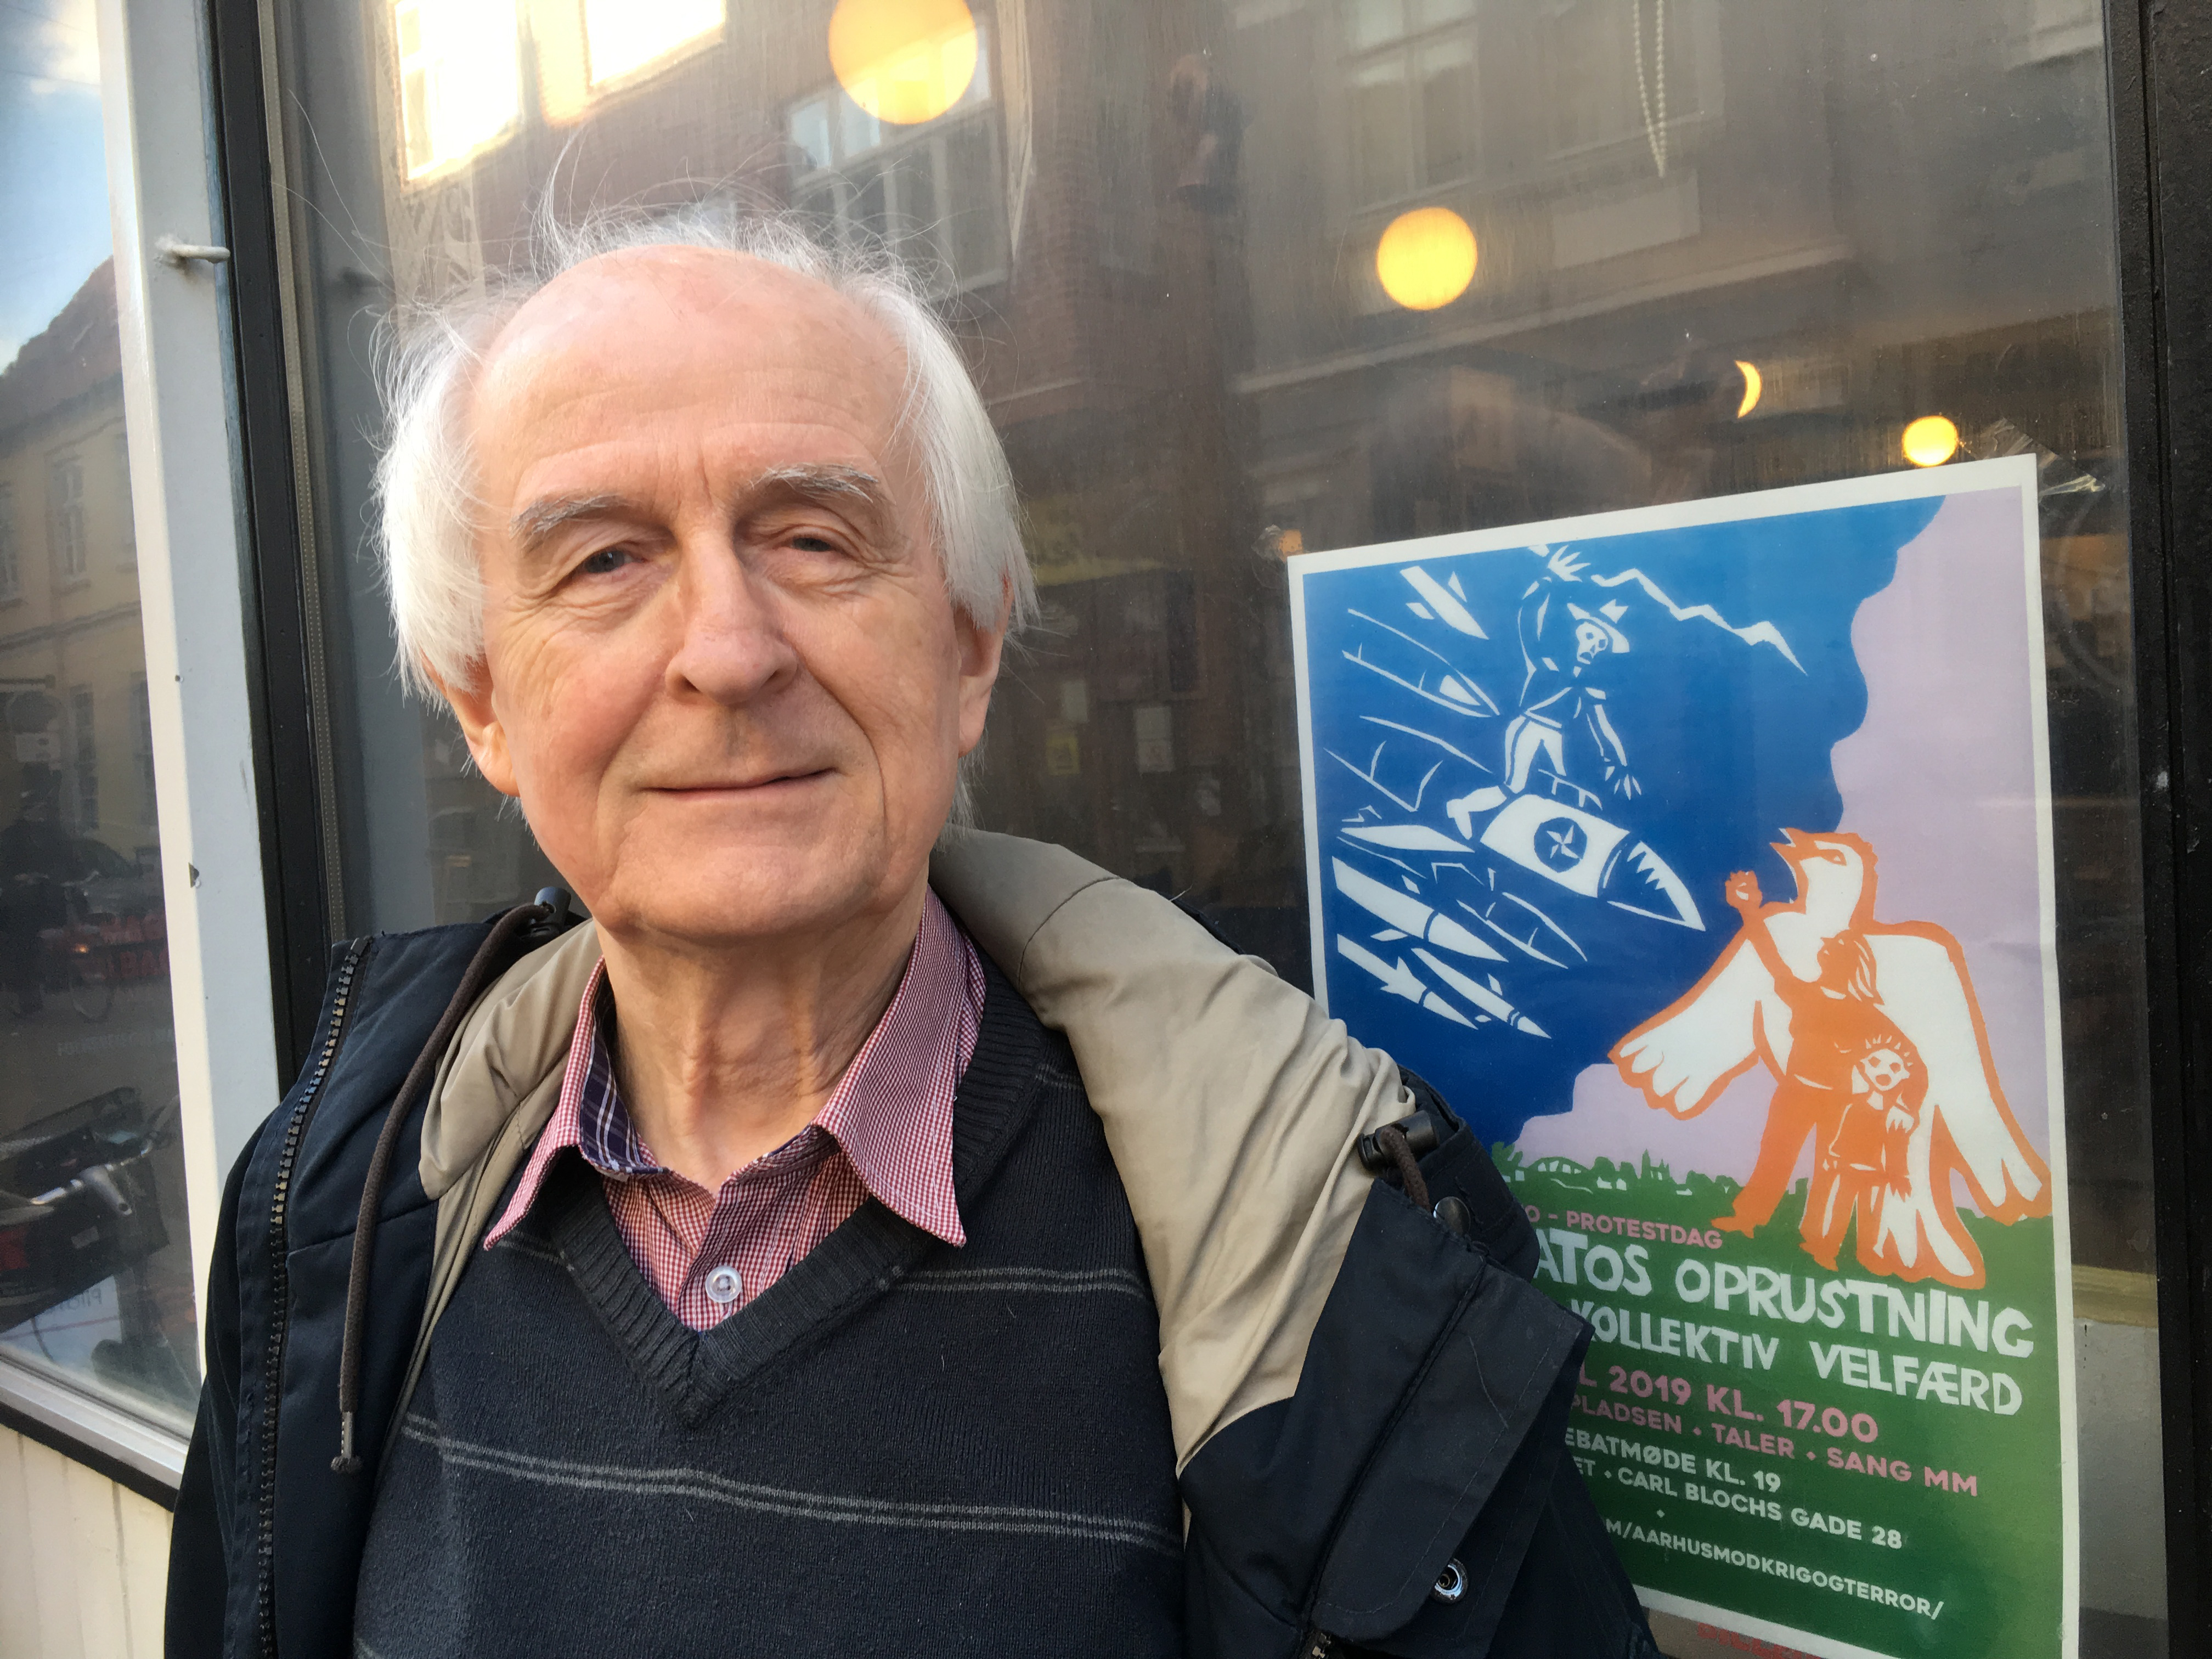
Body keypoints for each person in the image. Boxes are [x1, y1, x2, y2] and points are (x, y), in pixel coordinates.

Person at [165, 208, 1658, 1659]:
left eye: (814, 537)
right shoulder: (340, 1211)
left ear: (966, 649)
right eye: (605, 560)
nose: (729, 651)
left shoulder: (1297, 1248)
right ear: (484, 700)